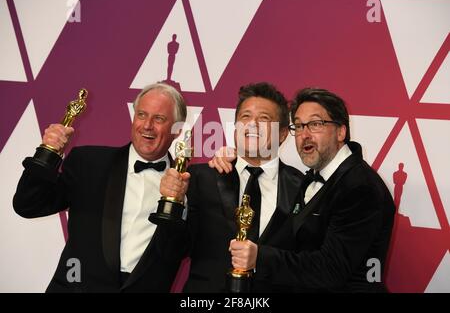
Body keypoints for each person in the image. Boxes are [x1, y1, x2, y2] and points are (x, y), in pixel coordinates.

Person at [211, 87, 396, 292]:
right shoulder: (311, 179)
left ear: (341, 131)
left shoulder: (359, 187)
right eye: (298, 126)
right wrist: (239, 157)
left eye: (315, 124)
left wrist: (259, 258)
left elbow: (331, 270)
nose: (304, 135)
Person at [13, 82, 188, 292]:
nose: (147, 125)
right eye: (141, 115)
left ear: (177, 129)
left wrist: (179, 203)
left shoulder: (191, 186)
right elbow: (28, 205)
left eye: (159, 118)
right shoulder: (89, 163)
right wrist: (47, 153)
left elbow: (186, 250)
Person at [160, 82, 304, 292]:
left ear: (282, 134)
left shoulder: (302, 187)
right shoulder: (200, 177)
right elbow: (173, 249)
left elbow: (306, 262)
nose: (252, 124)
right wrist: (172, 204)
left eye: (264, 118)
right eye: (245, 117)